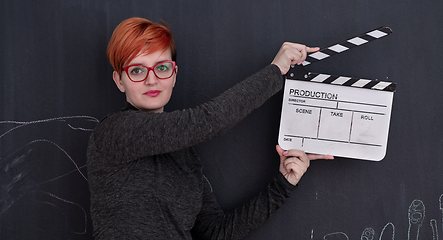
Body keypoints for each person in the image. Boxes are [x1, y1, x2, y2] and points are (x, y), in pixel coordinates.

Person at [87, 17, 333, 240]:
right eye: (137, 70)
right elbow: (207, 121)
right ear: (120, 81)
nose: (152, 80)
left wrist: (283, 184)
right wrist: (276, 71)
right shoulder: (113, 133)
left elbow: (216, 232)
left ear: (174, 74)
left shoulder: (185, 157)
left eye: (161, 67)